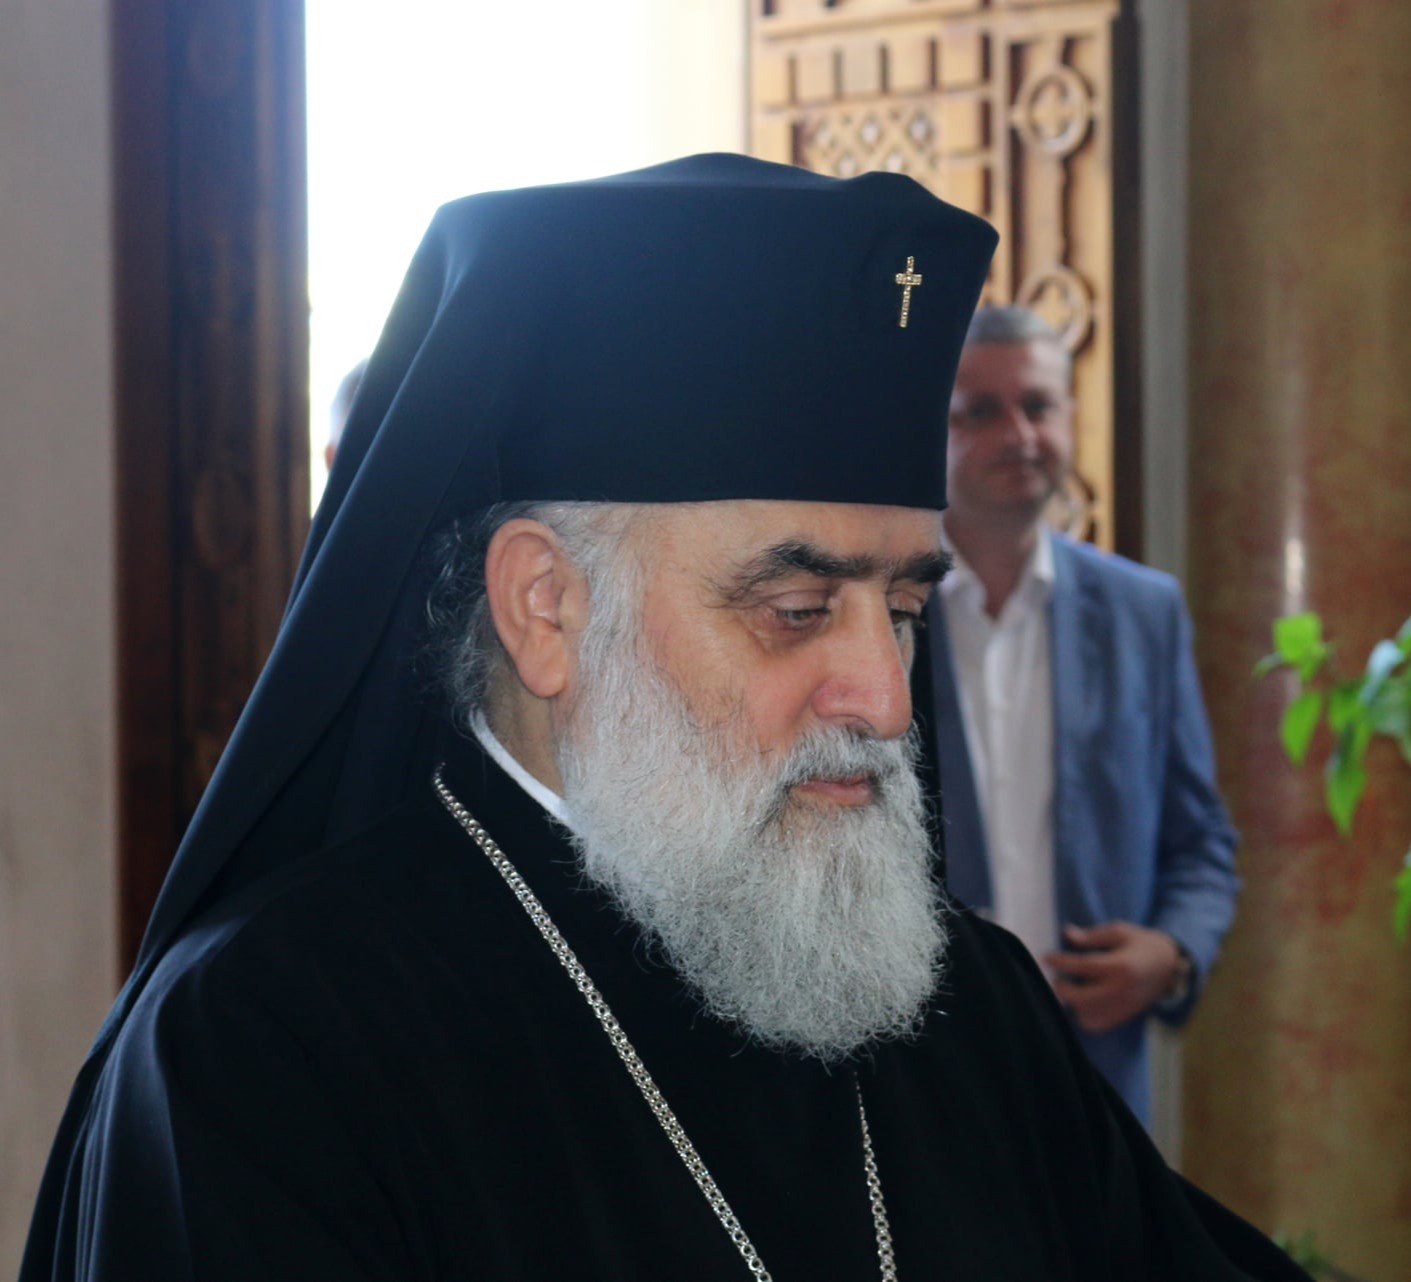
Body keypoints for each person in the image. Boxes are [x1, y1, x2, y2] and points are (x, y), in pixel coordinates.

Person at [22, 155, 1303, 1280]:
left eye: (907, 609)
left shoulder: (972, 1003)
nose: (882, 697)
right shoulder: (268, 1046)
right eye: (795, 609)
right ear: (546, 608)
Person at [922, 303, 1240, 1123]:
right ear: (932, 426)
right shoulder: (876, 610)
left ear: (1069, 416)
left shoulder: (1143, 611)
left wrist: (1171, 953)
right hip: (918, 1070)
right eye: (978, 411)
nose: (1018, 435)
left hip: (1093, 1077)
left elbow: (1200, 841)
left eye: (1038, 406)